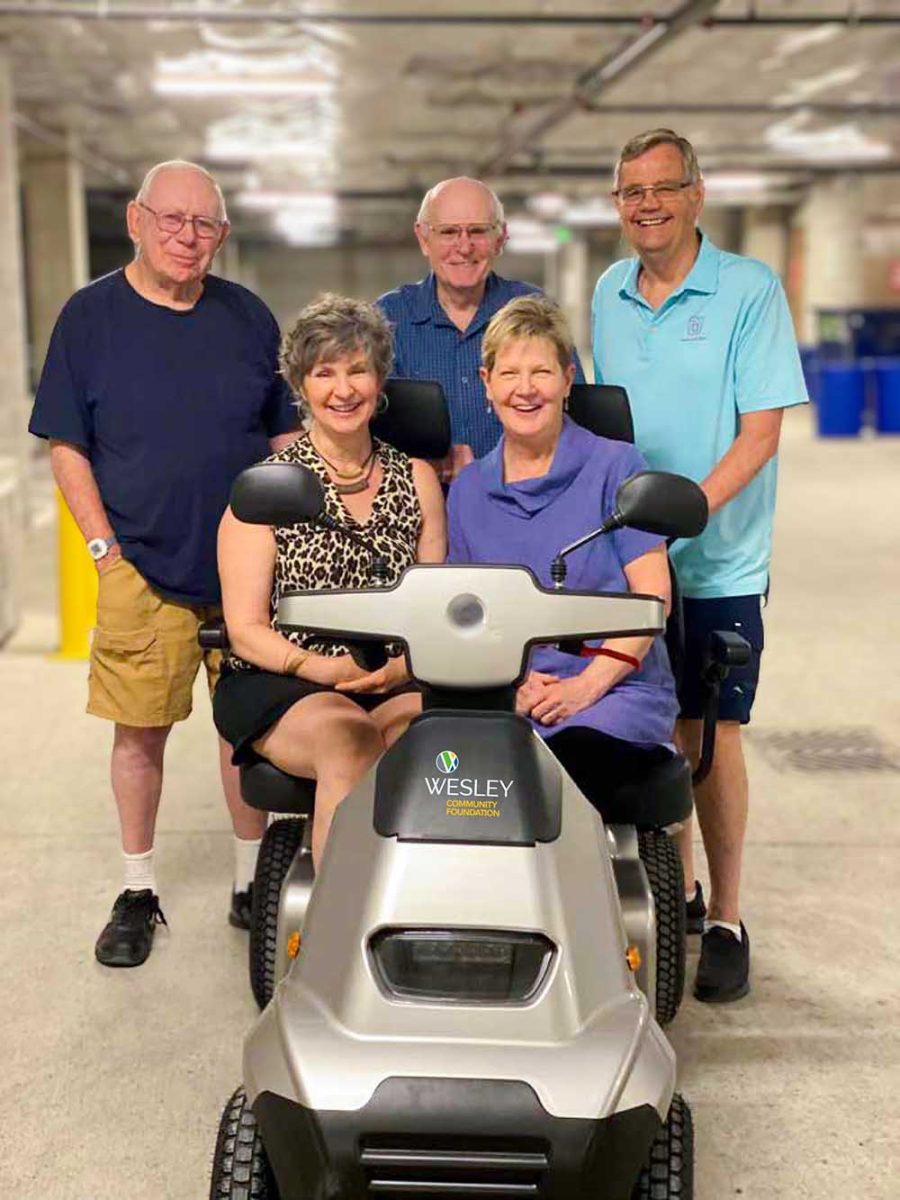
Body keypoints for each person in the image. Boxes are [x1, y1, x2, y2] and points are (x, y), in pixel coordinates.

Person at [28, 160, 300, 969]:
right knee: (139, 730)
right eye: (172, 220)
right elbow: (67, 445)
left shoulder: (248, 316)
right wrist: (104, 553)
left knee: (247, 730)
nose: (188, 237)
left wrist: (288, 542)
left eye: (204, 224)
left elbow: (285, 436)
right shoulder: (90, 317)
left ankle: (249, 882)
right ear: (137, 222)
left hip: (247, 568)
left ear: (222, 234)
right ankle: (138, 889)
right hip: (139, 566)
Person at [592, 129, 808, 1003]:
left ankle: (727, 917)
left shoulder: (749, 290)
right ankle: (675, 892)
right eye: (631, 191)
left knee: (710, 736)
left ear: (696, 194)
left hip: (718, 561)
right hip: (632, 562)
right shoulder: (608, 292)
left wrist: (683, 516)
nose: (647, 204)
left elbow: (760, 434)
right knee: (652, 725)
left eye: (662, 187)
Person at [214, 294, 446, 868]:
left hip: (395, 676)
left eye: (357, 370)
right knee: (350, 742)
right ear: (301, 385)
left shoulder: (417, 479)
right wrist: (323, 669)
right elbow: (245, 630)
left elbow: (434, 609)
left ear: (379, 379)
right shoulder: (267, 489)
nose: (343, 390)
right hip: (285, 677)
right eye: (324, 373)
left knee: (445, 747)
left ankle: (425, 903)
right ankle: (335, 917)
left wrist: (402, 668)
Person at [448, 295, 678, 802]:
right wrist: (510, 687)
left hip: (614, 690)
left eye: (541, 372)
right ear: (487, 384)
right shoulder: (467, 491)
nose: (525, 389)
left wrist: (585, 687)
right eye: (509, 374)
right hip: (506, 693)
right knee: (450, 779)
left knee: (562, 767)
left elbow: (653, 600)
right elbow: (462, 618)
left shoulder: (618, 467)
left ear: (568, 379)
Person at [376, 176, 585, 478]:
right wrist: (433, 467)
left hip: (523, 496)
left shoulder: (535, 312)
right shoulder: (388, 319)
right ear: (423, 238)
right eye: (448, 232)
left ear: (501, 238)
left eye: (478, 231)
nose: (464, 247)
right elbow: (368, 430)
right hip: (420, 499)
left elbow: (572, 414)